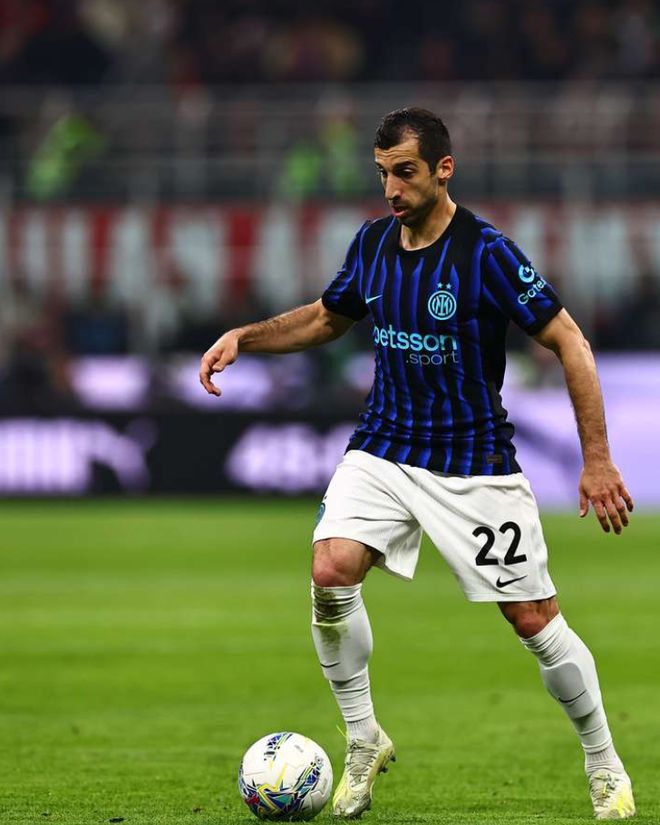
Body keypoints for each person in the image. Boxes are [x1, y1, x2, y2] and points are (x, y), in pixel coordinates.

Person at [199, 108, 635, 821]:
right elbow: (327, 316)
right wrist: (244, 338)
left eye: (404, 172)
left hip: (472, 461)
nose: (391, 189)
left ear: (443, 169)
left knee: (532, 618)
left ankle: (603, 763)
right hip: (385, 446)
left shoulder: (487, 253)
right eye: (382, 174)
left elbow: (571, 342)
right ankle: (363, 738)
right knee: (330, 569)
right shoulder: (372, 243)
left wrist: (598, 459)